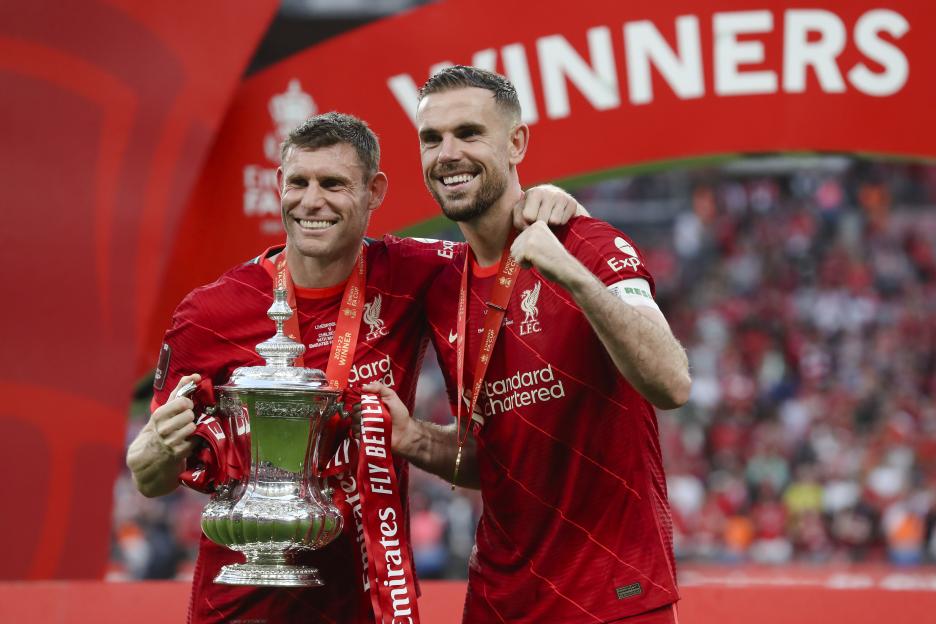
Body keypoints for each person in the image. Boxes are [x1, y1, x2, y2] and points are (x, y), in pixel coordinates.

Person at [125, 111, 583, 624]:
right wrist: (154, 449)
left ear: (374, 191)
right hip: (239, 606)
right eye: (298, 182)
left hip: (365, 602)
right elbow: (152, 476)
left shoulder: (413, 274)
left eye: (333, 184)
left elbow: (498, 249)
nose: (311, 200)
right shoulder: (209, 312)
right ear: (279, 185)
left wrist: (550, 203)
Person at [359, 66, 692, 623]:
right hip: (497, 604)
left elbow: (672, 382)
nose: (448, 154)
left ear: (516, 143)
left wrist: (574, 276)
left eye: (469, 133)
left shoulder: (588, 243)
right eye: (431, 139)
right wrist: (414, 438)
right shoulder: (443, 286)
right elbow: (493, 460)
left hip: (611, 597)